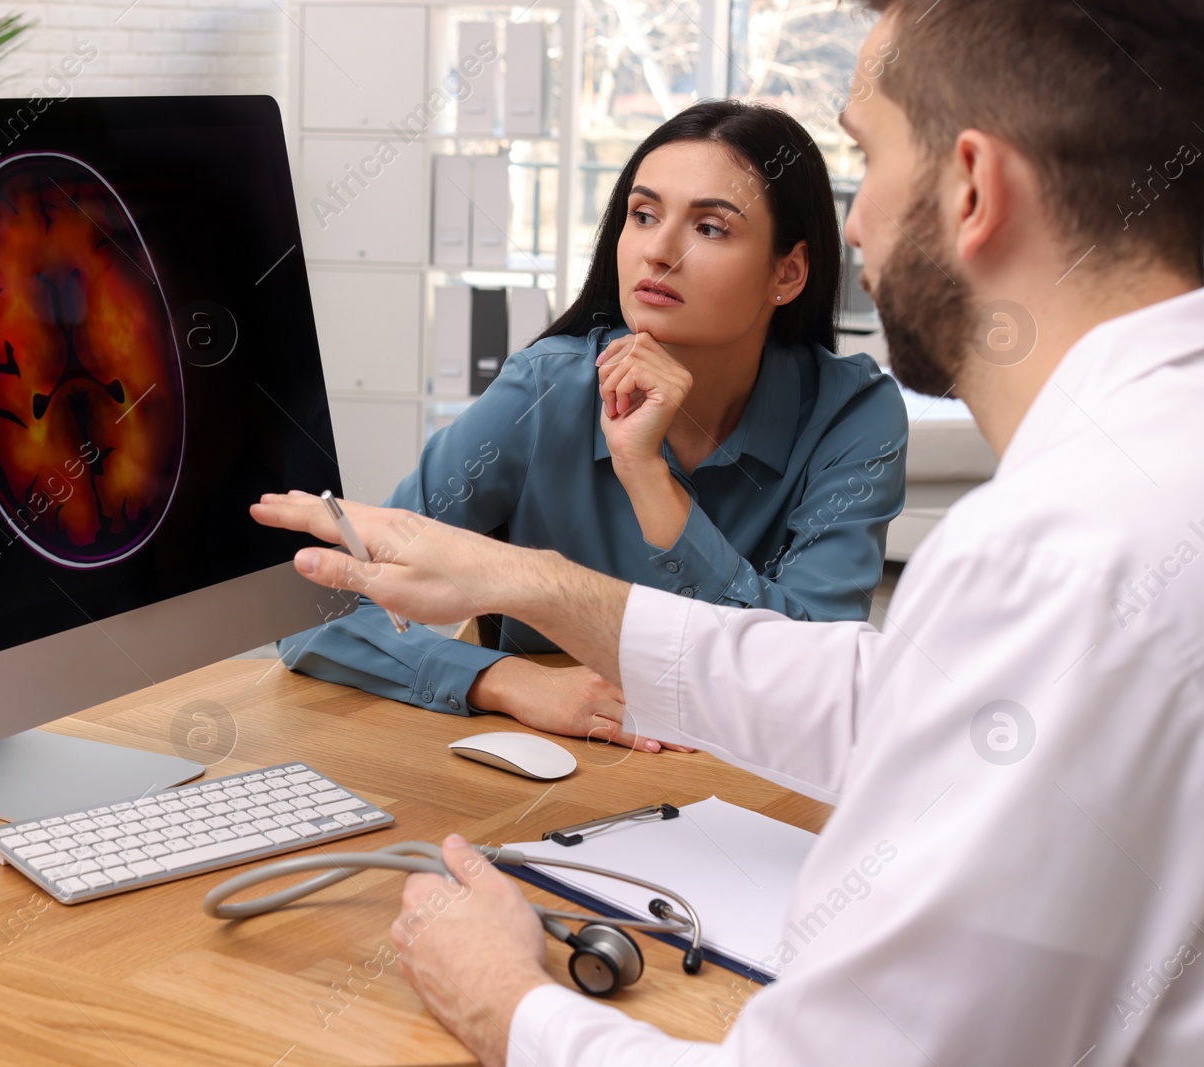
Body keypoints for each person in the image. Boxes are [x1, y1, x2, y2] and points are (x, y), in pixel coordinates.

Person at [250, 0, 1204, 1063]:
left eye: (867, 156)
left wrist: (504, 1004)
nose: (858, 221)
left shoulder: (1051, 549)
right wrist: (530, 598)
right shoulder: (1146, 481)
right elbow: (875, 694)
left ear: (972, 186)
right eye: (644, 214)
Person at [281, 100, 907, 753]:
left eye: (712, 228)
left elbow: (813, 681)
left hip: (751, 786)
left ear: (788, 272)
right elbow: (319, 606)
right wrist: (503, 678)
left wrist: (651, 482)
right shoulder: (543, 392)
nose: (659, 251)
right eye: (643, 215)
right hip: (565, 774)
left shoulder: (852, 415)